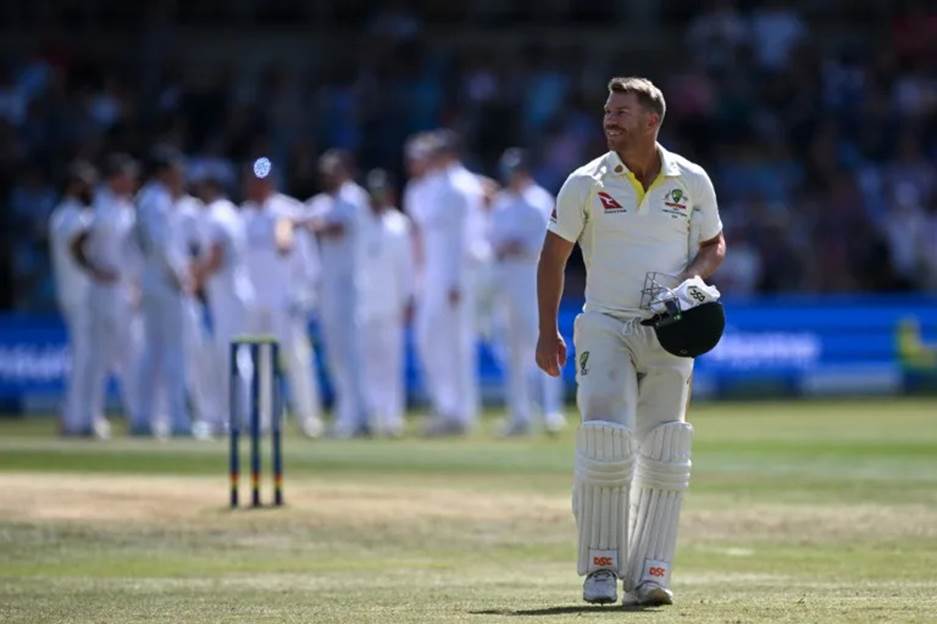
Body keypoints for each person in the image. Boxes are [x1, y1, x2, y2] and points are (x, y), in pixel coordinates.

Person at [535, 77, 725, 606]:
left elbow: (714, 244)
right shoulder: (585, 181)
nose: (610, 119)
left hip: (669, 327)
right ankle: (601, 566)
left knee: (666, 447)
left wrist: (692, 280)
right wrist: (547, 329)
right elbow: (553, 257)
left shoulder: (692, 179)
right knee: (606, 438)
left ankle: (651, 573)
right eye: (607, 111)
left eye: (621, 112)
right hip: (606, 324)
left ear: (651, 121)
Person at [242, 158, 324, 437]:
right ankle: (266, 418)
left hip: (285, 300)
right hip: (256, 302)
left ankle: (308, 417)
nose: (257, 186)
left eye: (262, 181)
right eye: (253, 181)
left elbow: (307, 261)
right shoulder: (244, 216)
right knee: (261, 362)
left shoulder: (290, 212)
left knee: (296, 359)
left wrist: (303, 295)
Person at [488, 148, 566, 436]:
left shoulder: (539, 201)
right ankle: (519, 413)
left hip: (534, 280)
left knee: (543, 343)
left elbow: (548, 245)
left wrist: (519, 246)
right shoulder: (501, 204)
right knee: (513, 351)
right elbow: (491, 240)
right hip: (508, 280)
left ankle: (550, 412)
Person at [73, 153, 143, 438]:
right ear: (115, 178)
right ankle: (91, 418)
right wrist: (94, 271)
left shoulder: (125, 207)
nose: (132, 181)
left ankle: (137, 417)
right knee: (99, 357)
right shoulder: (100, 207)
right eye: (127, 176)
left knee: (130, 355)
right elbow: (76, 243)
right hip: (103, 292)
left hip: (124, 291)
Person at [304, 151, 368, 437]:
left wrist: (312, 225)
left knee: (350, 351)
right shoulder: (324, 203)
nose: (329, 175)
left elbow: (337, 228)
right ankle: (347, 412)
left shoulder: (354, 197)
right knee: (334, 352)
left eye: (335, 170)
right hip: (329, 287)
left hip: (349, 286)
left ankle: (356, 415)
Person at [191, 167, 255, 437]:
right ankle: (236, 415)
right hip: (232, 294)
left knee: (233, 355)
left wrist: (192, 281)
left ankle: (238, 417)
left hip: (228, 295)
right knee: (233, 353)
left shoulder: (216, 214)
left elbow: (215, 257)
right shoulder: (232, 212)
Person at [133, 146, 192, 436]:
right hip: (165, 282)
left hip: (151, 280)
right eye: (176, 171)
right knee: (173, 352)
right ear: (163, 172)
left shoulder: (147, 198)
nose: (181, 176)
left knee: (153, 351)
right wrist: (179, 277)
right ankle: (178, 420)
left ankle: (144, 417)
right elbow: (160, 245)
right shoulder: (157, 200)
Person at [358, 169, 414, 436]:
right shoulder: (361, 224)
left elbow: (407, 267)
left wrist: (407, 299)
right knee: (368, 362)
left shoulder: (399, 224)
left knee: (390, 361)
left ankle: (392, 416)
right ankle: (372, 413)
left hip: (391, 303)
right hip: (365, 305)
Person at [49, 161, 97, 436]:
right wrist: (97, 272)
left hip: (72, 292)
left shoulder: (61, 214)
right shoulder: (72, 215)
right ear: (74, 186)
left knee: (86, 356)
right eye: (86, 183)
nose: (90, 188)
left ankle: (77, 415)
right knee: (83, 357)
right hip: (79, 293)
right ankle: (73, 418)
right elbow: (76, 246)